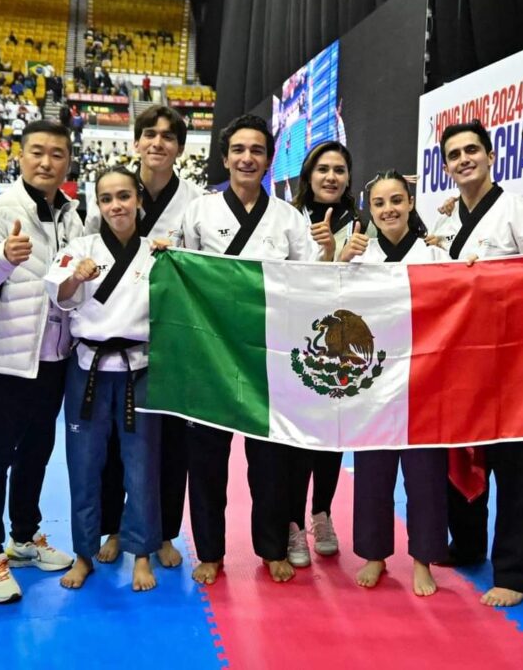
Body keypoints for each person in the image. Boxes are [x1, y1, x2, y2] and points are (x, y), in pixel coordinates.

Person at [175, 114, 334, 585]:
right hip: (210, 355)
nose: (247, 158)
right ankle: (209, 551)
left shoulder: (288, 218)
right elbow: (180, 278)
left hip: (270, 355)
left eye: (257, 150)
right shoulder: (200, 213)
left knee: (270, 464)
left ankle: (269, 547)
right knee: (206, 461)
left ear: (269, 160)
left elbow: (309, 284)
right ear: (225, 158)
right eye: (238, 149)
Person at [430, 119, 523, 607]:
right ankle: (466, 543)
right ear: (446, 166)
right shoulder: (443, 223)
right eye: (455, 154)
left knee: (514, 465)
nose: (464, 160)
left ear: (491, 155)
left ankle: (514, 571)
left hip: (510, 359)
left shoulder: (517, 211)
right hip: (457, 358)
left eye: (472, 151)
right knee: (459, 455)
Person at [0, 120, 82, 604]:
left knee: (36, 453)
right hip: (5, 361)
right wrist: (5, 259)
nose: (46, 162)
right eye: (37, 152)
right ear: (20, 156)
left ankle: (25, 538)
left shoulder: (72, 216)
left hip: (54, 358)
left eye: (57, 154)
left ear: (67, 163)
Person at [87, 106, 204, 569]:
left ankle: (164, 532)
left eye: (169, 136)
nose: (158, 143)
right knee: (117, 440)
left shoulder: (194, 201)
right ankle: (116, 527)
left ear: (179, 147)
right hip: (118, 334)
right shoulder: (112, 192)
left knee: (171, 441)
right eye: (150, 134)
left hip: (171, 338)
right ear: (136, 142)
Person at [45, 167, 167, 591]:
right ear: (97, 204)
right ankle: (82, 553)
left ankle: (141, 554)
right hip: (89, 370)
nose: (116, 205)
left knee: (142, 467)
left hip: (140, 370)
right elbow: (58, 297)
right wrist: (74, 278)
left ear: (138, 200)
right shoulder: (78, 249)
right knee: (84, 465)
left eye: (124, 196)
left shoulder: (158, 251)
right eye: (107, 198)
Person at [338, 170, 449, 595]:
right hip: (372, 382)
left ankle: (423, 559)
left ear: (410, 203)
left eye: (397, 200)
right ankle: (374, 554)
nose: (389, 209)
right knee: (372, 473)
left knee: (426, 475)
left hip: (424, 379)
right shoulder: (359, 260)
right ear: (370, 210)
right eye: (380, 203)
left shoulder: (434, 255)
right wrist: (340, 260)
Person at [284, 140, 370, 566]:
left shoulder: (361, 223)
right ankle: (292, 524)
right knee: (298, 441)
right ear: (309, 175)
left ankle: (322, 513)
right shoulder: (288, 219)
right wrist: (325, 256)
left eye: (339, 169)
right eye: (323, 169)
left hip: (343, 351)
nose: (331, 177)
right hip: (297, 344)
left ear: (349, 177)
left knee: (334, 440)